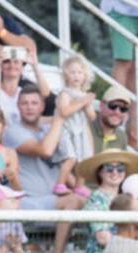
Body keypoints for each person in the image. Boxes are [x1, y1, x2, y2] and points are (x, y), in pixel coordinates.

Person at [4, 85, 86, 253]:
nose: (29, 107)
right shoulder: (12, 132)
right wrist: (60, 116)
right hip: (25, 202)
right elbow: (45, 150)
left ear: (42, 106)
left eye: (34, 103)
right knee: (73, 201)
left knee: (88, 202)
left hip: (50, 200)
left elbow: (64, 160)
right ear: (18, 106)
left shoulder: (49, 129)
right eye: (24, 103)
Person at [76, 147, 138, 253]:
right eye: (109, 168)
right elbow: (102, 238)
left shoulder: (128, 199)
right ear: (100, 173)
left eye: (120, 168)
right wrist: (137, 249)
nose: (115, 172)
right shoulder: (96, 199)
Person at [54, 55, 96, 192]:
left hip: (80, 131)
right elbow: (65, 111)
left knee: (82, 160)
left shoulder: (84, 94)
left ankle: (79, 186)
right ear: (66, 75)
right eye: (72, 72)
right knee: (70, 158)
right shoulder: (65, 93)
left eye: (79, 72)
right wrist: (83, 102)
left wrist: (87, 104)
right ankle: (60, 184)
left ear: (85, 75)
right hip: (66, 130)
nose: (76, 76)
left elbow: (92, 116)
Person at [0, 44, 50, 128]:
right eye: (7, 62)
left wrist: (35, 65)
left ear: (22, 68)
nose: (12, 65)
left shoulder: (24, 93)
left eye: (16, 62)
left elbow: (45, 93)